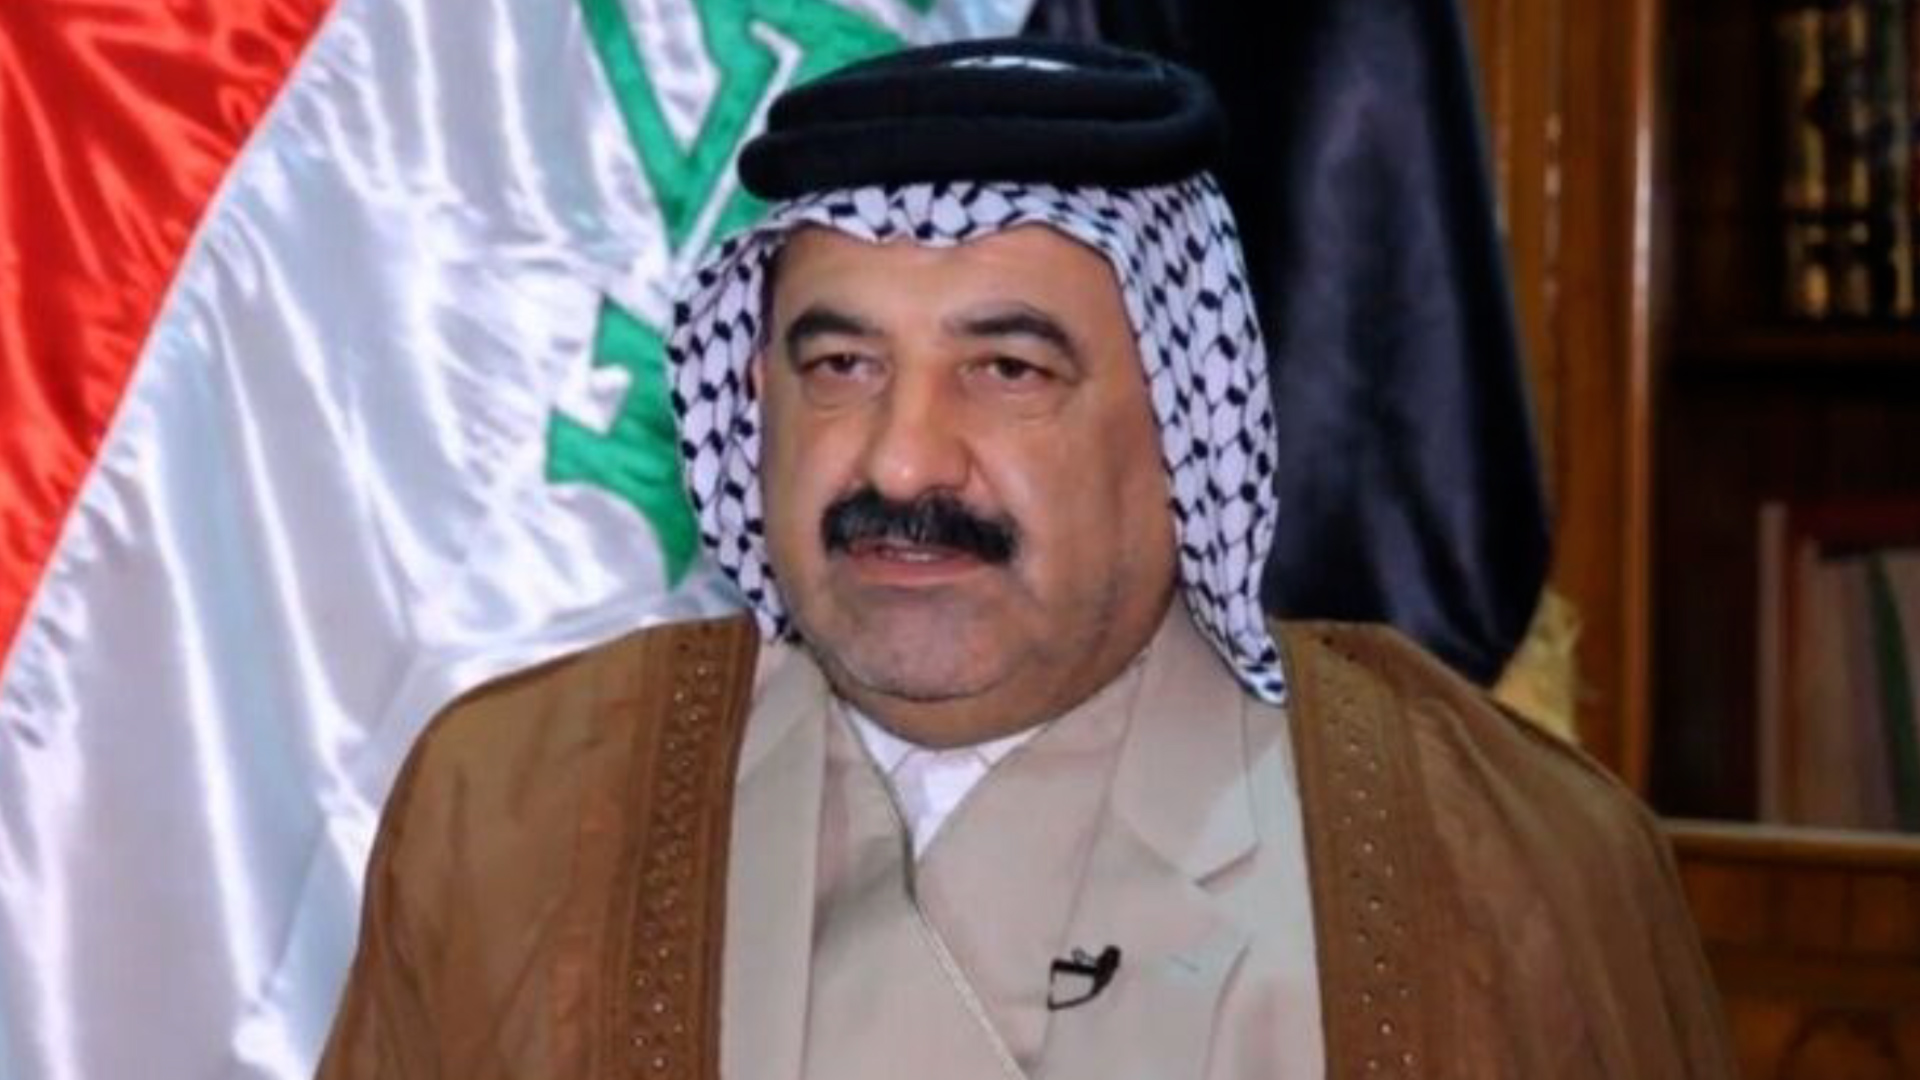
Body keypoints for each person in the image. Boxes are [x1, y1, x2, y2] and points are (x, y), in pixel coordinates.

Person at [317, 38, 1734, 1080]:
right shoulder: (516, 808)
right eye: (840, 365)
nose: (900, 463)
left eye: (1007, 369)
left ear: (1184, 425)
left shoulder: (1493, 863)